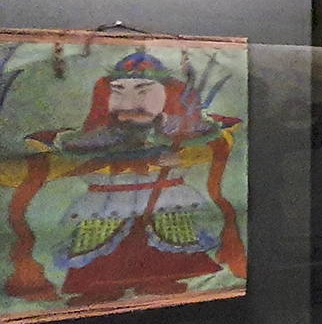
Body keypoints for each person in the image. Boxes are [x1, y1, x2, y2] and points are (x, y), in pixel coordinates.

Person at [5, 48, 245, 307]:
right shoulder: (99, 135)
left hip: (166, 199)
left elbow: (210, 141)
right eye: (118, 91)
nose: (128, 102)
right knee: (100, 248)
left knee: (166, 244)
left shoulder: (179, 127)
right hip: (107, 203)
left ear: (166, 93)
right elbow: (73, 151)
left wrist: (181, 156)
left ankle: (161, 281)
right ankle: (99, 290)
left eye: (143, 91)